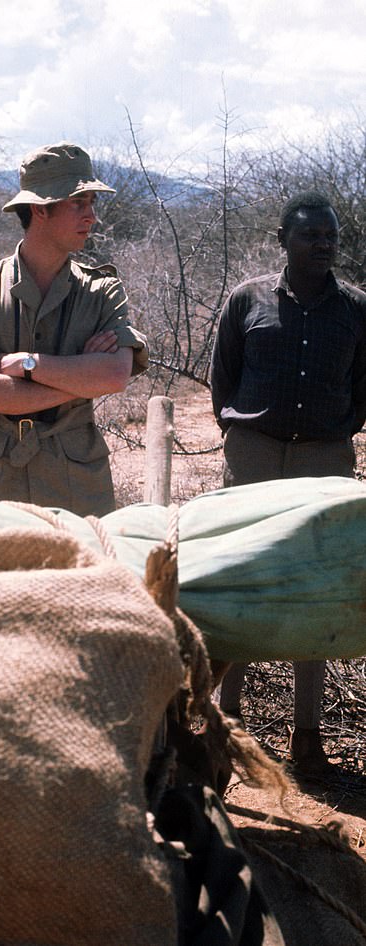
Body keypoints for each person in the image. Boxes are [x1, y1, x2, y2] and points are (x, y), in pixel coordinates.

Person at [210, 190, 366, 774]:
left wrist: (331, 435)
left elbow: (362, 389)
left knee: (314, 594)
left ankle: (307, 741)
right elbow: (222, 380)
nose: (324, 245)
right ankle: (227, 729)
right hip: (251, 458)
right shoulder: (246, 300)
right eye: (311, 236)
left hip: (323, 466)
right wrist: (248, 433)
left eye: (330, 236)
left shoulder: (356, 309)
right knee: (241, 582)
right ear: (283, 240)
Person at [0, 141, 148, 517]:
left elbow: (114, 375)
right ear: (40, 209)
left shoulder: (101, 290)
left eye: (92, 204)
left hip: (74, 481)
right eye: (78, 204)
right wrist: (78, 382)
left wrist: (29, 364)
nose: (92, 217)